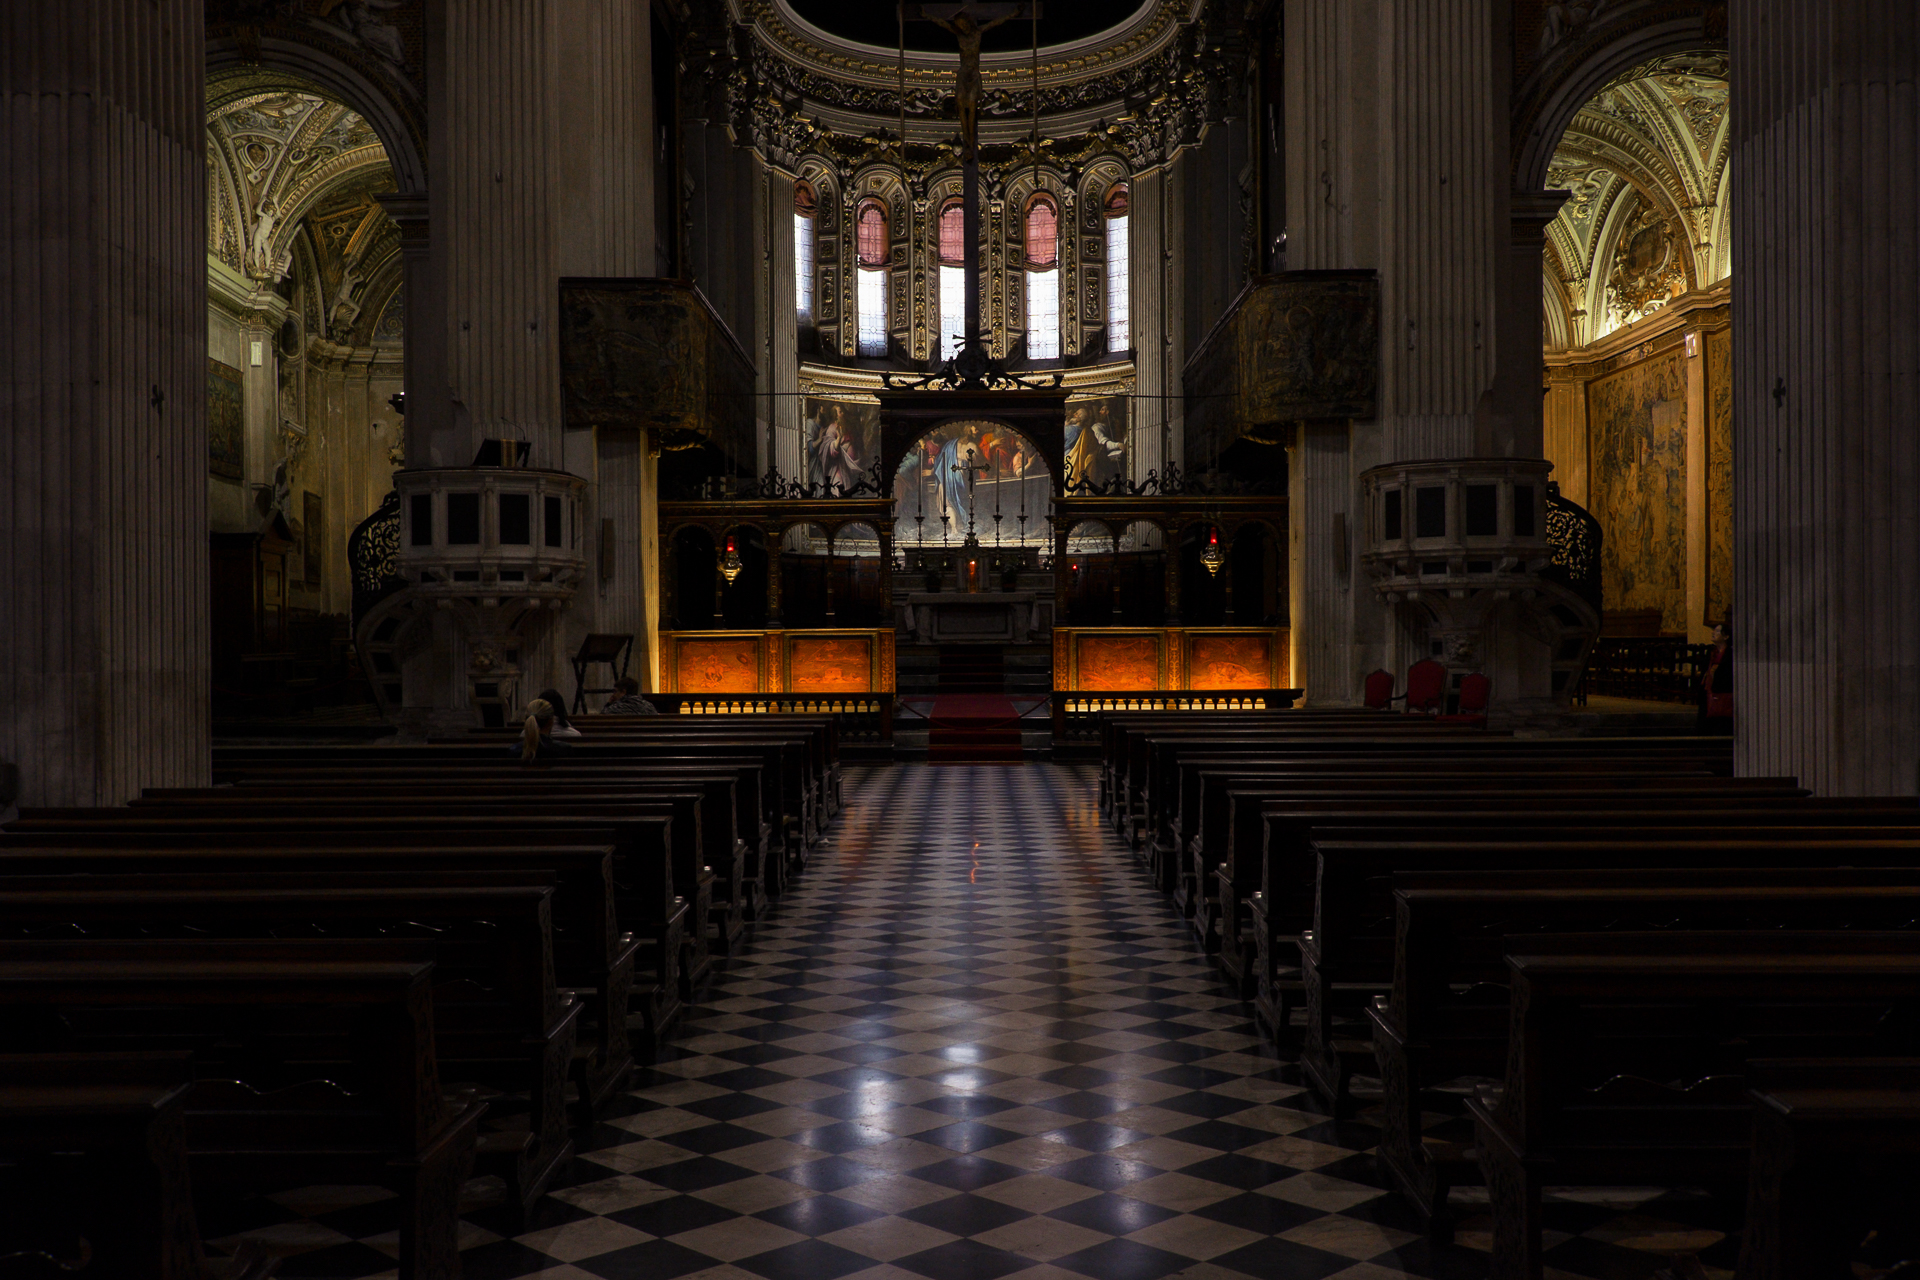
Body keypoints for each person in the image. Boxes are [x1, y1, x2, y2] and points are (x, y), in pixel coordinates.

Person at [1698, 621, 1732, 730]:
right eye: (1714, 630)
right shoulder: (1711, 653)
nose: (1713, 633)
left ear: (1726, 636)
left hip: (1722, 691)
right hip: (1709, 690)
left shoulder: (1729, 654)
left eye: (1717, 631)